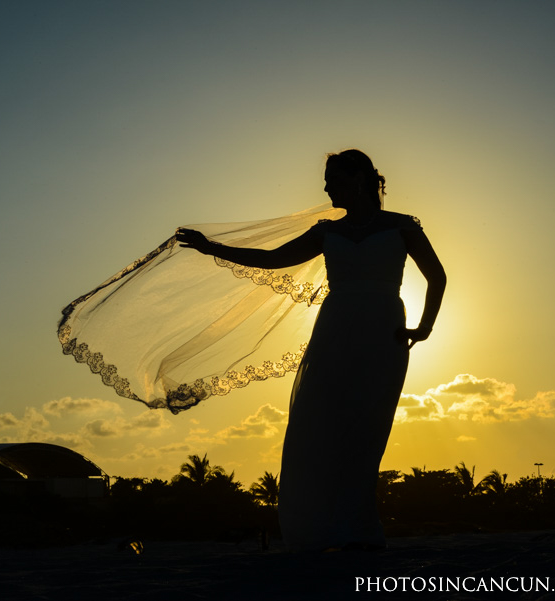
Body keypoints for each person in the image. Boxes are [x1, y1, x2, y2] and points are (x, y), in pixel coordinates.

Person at [176, 149, 446, 551]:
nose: (325, 187)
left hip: (382, 334)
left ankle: (357, 529)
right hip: (335, 331)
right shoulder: (327, 232)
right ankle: (319, 529)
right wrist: (212, 247)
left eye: (332, 179)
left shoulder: (402, 227)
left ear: (357, 180)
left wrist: (424, 327)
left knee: (365, 429)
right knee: (318, 424)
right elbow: (272, 259)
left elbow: (436, 276)